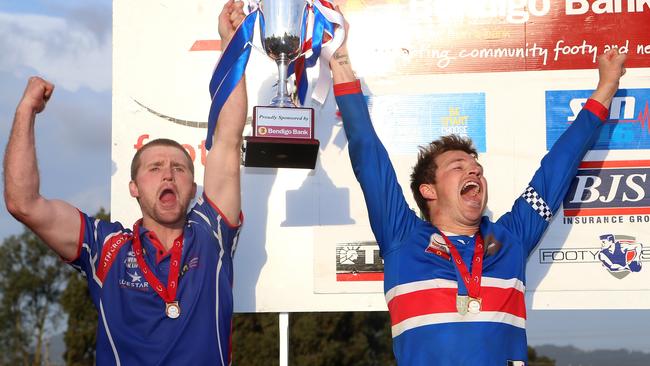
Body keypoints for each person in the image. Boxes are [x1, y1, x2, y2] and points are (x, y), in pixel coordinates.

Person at [329, 16, 627, 365]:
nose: (473, 170)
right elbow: (367, 151)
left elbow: (559, 167)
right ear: (429, 190)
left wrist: (606, 86)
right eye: (458, 167)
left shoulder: (511, 238)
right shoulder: (402, 237)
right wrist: (339, 58)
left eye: (476, 169)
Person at [3, 1, 247, 364]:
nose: (168, 173)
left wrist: (233, 46)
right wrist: (25, 112)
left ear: (194, 188)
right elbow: (23, 203)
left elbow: (227, 138)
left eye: (179, 169)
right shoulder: (106, 246)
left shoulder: (211, 232)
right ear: (133, 187)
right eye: (155, 168)